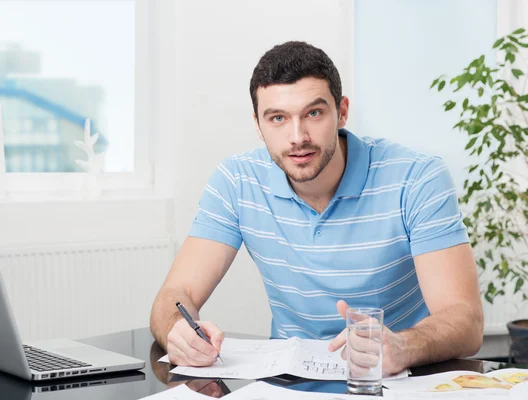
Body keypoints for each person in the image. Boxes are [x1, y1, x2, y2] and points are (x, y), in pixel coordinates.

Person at [150, 41, 484, 375]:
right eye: (278, 118)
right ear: (258, 124)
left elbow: (465, 320)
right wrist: (177, 330)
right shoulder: (237, 181)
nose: (297, 137)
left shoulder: (417, 179)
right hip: (288, 383)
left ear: (342, 111)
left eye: (313, 113)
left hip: (395, 376)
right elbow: (175, 296)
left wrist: (403, 346)